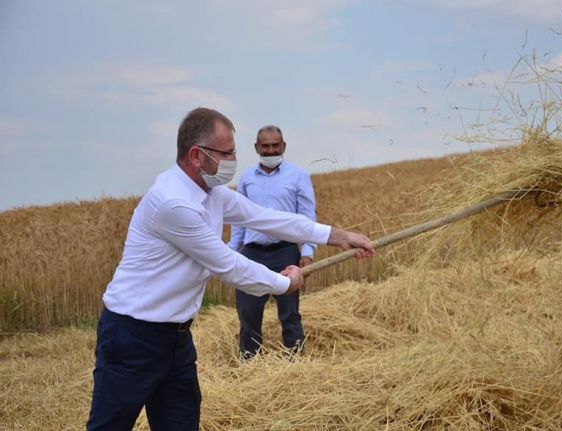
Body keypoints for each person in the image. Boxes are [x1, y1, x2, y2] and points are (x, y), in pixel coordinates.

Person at [86, 107, 374, 431]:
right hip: (132, 335)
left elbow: (266, 218)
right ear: (197, 155)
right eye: (227, 153)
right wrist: (283, 284)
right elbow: (228, 265)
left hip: (177, 338)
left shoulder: (213, 193)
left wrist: (338, 236)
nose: (234, 159)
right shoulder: (173, 203)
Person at [228, 125, 315, 359]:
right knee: (248, 314)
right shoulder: (246, 178)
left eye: (275, 145)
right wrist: (232, 252)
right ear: (257, 148)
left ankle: (295, 363)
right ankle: (249, 364)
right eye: (265, 146)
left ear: (283, 146)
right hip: (252, 255)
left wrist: (307, 252)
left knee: (289, 314)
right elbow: (239, 221)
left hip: (285, 253)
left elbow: (307, 217)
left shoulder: (298, 176)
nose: (270, 150)